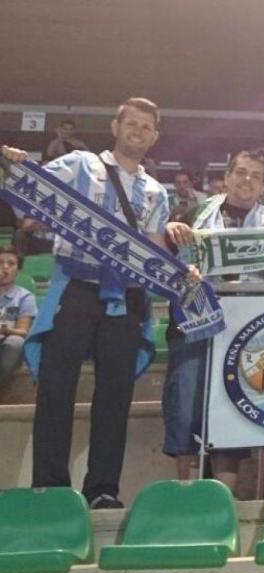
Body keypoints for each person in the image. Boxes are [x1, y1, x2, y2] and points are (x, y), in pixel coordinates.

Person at [1, 97, 190, 509]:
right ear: (115, 125)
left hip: (126, 299)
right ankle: (49, 487)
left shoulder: (156, 191)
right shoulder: (78, 164)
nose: (137, 132)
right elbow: (29, 204)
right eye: (132, 124)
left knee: (115, 396)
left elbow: (154, 252)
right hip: (77, 289)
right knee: (55, 389)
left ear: (154, 137)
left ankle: (103, 489)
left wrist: (176, 251)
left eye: (146, 127)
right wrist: (14, 166)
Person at [160, 150, 264, 494]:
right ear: (228, 176)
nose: (246, 179)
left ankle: (225, 501)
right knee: (186, 407)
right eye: (240, 172)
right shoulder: (196, 213)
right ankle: (186, 493)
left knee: (232, 412)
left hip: (246, 329)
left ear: (263, 185)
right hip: (194, 325)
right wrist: (168, 229)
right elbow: (163, 252)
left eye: (255, 175)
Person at [0, 245, 36, 389]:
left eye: (11, 263)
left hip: (8, 342)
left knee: (16, 342)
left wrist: (7, 331)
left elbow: (23, 331)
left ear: (18, 269)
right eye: (0, 263)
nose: (5, 268)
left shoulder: (25, 297)